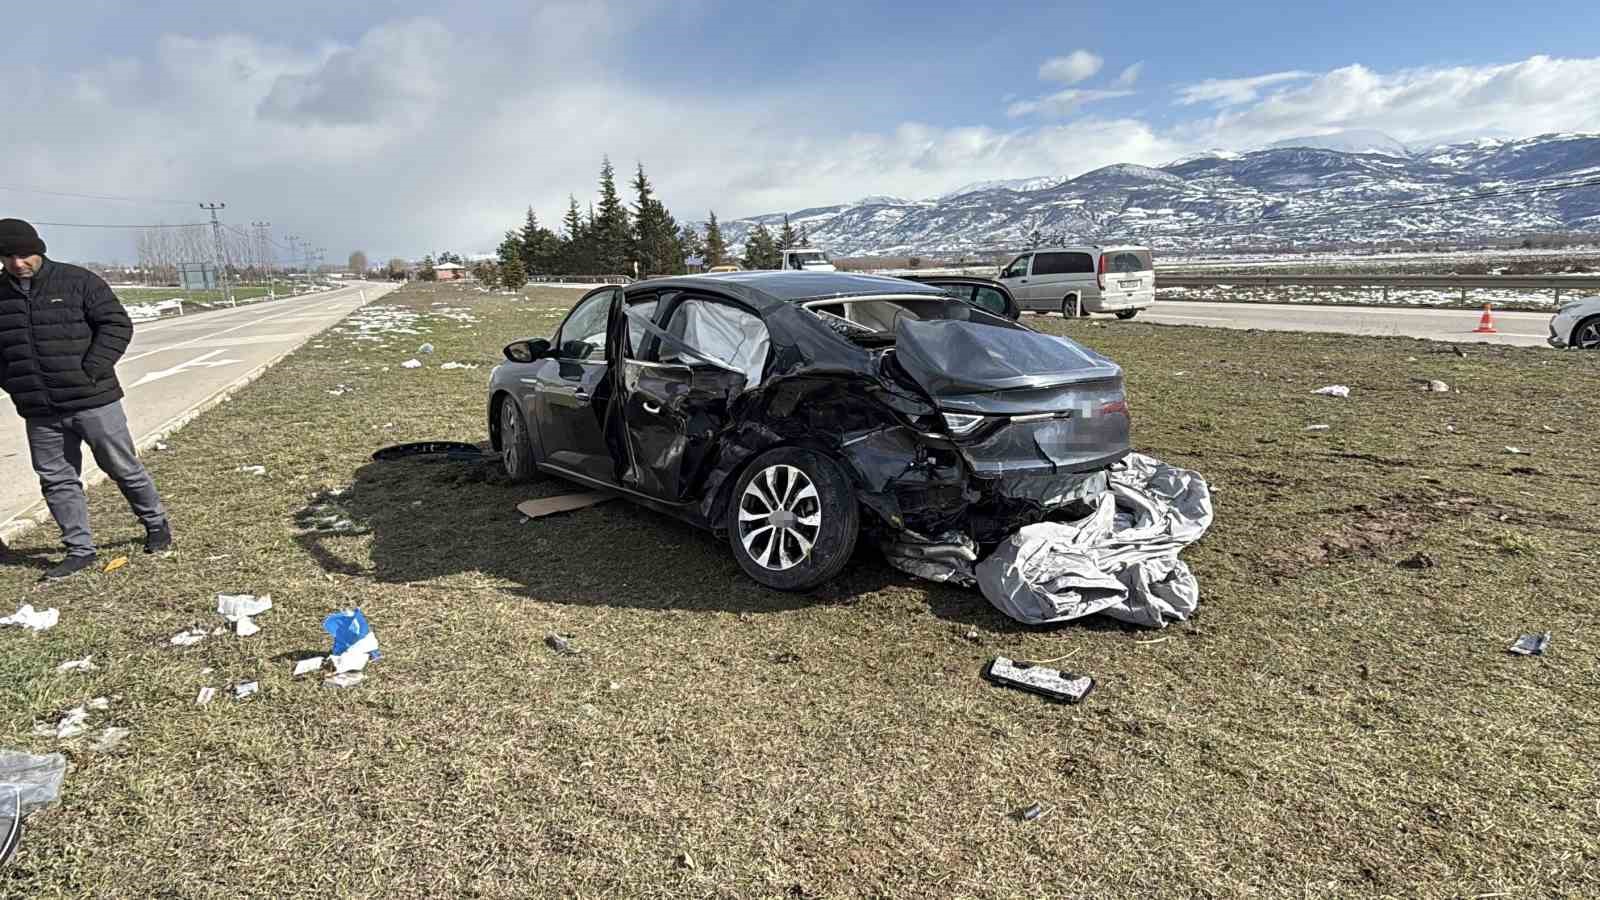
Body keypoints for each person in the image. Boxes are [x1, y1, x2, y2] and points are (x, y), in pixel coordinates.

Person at [0, 218, 172, 578]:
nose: (18, 263)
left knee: (121, 467)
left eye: (25, 254)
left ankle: (156, 524)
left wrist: (91, 369)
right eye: (7, 256)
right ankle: (80, 549)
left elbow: (116, 324)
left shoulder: (77, 281)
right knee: (56, 480)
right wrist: (14, 383)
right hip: (40, 410)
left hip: (94, 401)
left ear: (40, 250)